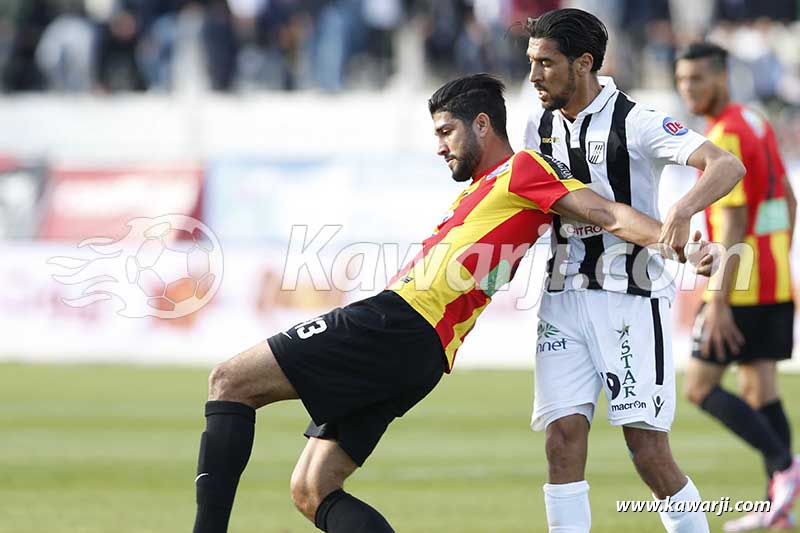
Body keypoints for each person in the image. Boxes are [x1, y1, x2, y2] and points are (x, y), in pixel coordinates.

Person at [191, 73, 712, 533]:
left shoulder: (524, 170)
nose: (439, 147)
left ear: (482, 124)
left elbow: (609, 214)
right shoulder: (483, 188)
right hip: (421, 349)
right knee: (312, 490)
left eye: (446, 131)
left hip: (400, 321)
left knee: (229, 381)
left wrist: (686, 247)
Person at [522, 9, 746, 533]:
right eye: (530, 62)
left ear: (583, 64)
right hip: (562, 297)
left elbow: (726, 165)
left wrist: (685, 209)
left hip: (629, 296)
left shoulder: (635, 120)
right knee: (561, 441)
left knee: (647, 451)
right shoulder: (539, 123)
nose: (533, 75)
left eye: (545, 63)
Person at [675, 41, 799, 531]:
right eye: (683, 81)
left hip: (739, 288)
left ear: (721, 78)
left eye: (697, 80)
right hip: (773, 279)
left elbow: (733, 219)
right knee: (758, 388)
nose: (689, 90)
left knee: (700, 389)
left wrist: (719, 301)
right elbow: (788, 198)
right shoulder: (756, 120)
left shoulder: (725, 132)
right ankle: (781, 509)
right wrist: (776, 257)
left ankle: (787, 467)